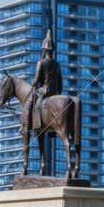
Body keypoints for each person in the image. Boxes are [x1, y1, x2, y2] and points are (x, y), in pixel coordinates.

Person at [25, 30, 63, 171]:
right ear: (52, 50)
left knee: (31, 101)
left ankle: (29, 124)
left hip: (44, 90)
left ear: (44, 49)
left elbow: (36, 80)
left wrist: (32, 86)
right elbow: (60, 84)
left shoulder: (41, 63)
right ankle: (52, 130)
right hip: (55, 92)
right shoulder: (57, 64)